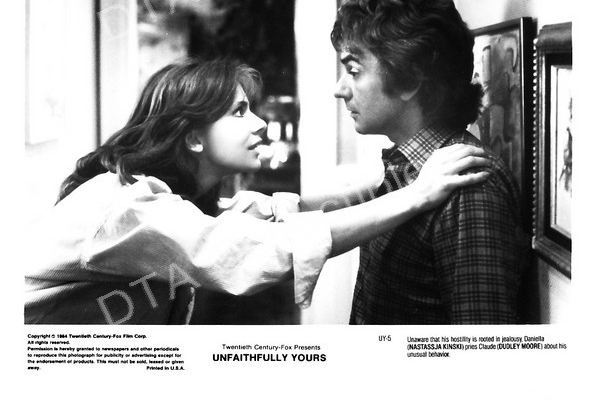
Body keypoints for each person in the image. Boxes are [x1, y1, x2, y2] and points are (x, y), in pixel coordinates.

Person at [25, 57, 489, 325]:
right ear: (193, 137)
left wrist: (403, 169)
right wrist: (416, 195)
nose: (261, 124)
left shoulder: (170, 198)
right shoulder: (128, 208)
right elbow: (260, 249)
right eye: (239, 112)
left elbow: (267, 212)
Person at [331, 0, 530, 324]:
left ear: (410, 80)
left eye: (354, 71)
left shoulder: (468, 188)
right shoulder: (407, 166)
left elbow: (482, 347)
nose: (340, 89)